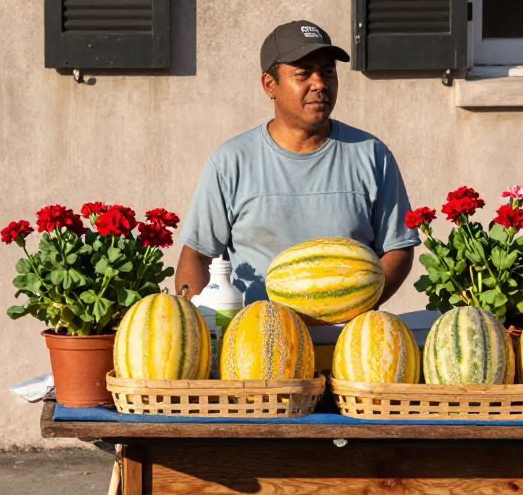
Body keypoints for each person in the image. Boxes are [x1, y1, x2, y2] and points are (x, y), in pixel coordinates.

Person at [176, 20, 418, 304]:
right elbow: (197, 255)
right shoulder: (231, 161)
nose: (320, 84)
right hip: (256, 339)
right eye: (303, 74)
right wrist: (201, 327)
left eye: (328, 72)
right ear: (270, 85)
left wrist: (354, 306)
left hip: (346, 340)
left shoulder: (371, 154)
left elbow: (398, 248)